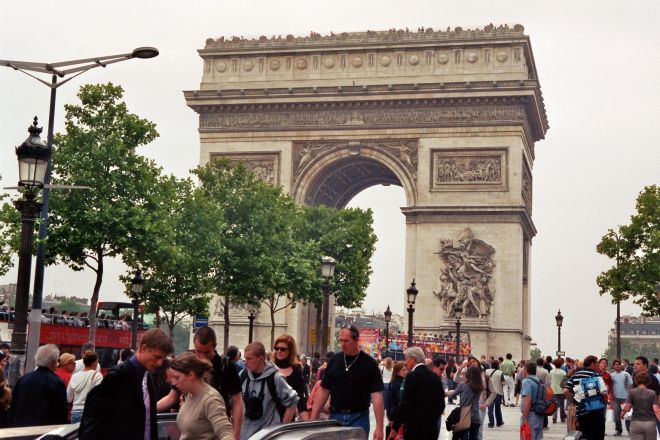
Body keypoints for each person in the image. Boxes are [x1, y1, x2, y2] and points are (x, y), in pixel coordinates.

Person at [78, 328, 174, 440]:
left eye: (163, 358)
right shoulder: (118, 376)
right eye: (157, 357)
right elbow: (93, 422)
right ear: (143, 348)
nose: (160, 363)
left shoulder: (148, 377)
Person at [160, 326, 243, 439]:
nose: (202, 356)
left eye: (206, 352)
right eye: (198, 351)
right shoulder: (191, 385)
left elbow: (237, 402)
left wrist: (236, 434)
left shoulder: (226, 367)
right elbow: (171, 397)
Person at [310, 326, 384, 440]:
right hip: (335, 416)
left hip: (359, 418)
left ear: (356, 340)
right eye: (340, 340)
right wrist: (313, 418)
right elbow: (324, 390)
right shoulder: (335, 360)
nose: (342, 344)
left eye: (346, 341)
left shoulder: (369, 363)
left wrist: (379, 427)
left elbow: (377, 395)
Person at [240, 341, 299, 440]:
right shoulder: (243, 375)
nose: (245, 362)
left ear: (261, 359)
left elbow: (293, 400)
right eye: (245, 358)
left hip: (267, 436)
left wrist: (282, 429)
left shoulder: (276, 378)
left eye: (249, 359)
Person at [170, 352, 234, 440]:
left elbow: (226, 433)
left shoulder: (211, 399)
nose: (173, 383)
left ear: (191, 375)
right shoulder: (189, 394)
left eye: (177, 378)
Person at [392, 347, 445, 439]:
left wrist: (396, 425)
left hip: (414, 429)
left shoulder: (412, 376)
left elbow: (406, 403)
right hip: (431, 429)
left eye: (406, 359)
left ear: (413, 360)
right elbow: (441, 404)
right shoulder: (435, 377)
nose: (405, 362)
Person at [9, 344, 68, 427]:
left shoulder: (23, 379)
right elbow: (61, 411)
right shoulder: (56, 382)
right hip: (43, 431)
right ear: (53, 363)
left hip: (20, 429)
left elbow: (13, 406)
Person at [563, 355, 608, 440]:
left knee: (583, 435)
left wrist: (576, 398)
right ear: (592, 364)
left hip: (581, 412)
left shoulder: (575, 375)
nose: (598, 365)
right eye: (597, 363)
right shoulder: (596, 375)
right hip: (596, 411)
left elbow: (565, 391)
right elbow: (604, 392)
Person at [271, 334, 309, 420]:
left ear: (290, 351)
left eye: (283, 349)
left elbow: (300, 399)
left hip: (287, 419)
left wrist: (307, 422)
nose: (279, 351)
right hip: (269, 419)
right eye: (276, 348)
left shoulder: (296, 371)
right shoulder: (269, 368)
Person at [620, 371, 660, 440]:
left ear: (636, 381)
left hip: (636, 423)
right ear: (648, 381)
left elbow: (628, 407)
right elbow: (656, 410)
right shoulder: (652, 393)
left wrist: (622, 413)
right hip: (650, 423)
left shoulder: (632, 392)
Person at [448, 364, 483, 440]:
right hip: (476, 417)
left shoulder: (463, 385)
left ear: (468, 374)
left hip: (464, 416)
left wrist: (447, 393)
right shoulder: (480, 386)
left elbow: (453, 394)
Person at [68, 350, 103, 423]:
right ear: (94, 362)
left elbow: (68, 398)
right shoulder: (97, 375)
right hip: (90, 412)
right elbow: (100, 396)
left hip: (75, 413)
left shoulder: (74, 376)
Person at [521, 361, 545, 440]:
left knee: (528, 436)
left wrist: (524, 417)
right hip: (540, 414)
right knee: (538, 437)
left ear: (526, 370)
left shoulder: (527, 382)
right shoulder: (539, 381)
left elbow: (527, 400)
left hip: (531, 414)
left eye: (523, 368)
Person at [385, 361, 407, 438]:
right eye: (403, 370)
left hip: (393, 415)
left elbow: (388, 400)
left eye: (406, 369)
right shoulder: (400, 384)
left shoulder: (393, 382)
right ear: (397, 372)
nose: (406, 372)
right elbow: (395, 401)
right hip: (397, 416)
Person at [610, 358, 632, 436]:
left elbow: (631, 385)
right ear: (613, 366)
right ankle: (618, 430)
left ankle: (630, 430)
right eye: (616, 364)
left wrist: (630, 396)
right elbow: (610, 386)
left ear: (621, 365)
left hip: (626, 398)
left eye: (619, 364)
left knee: (627, 415)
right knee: (617, 415)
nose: (617, 366)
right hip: (616, 398)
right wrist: (611, 395)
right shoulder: (611, 375)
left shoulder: (626, 374)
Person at [485, 359, 505, 428]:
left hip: (490, 393)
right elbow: (503, 383)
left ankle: (491, 423)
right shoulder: (500, 372)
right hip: (498, 392)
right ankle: (499, 422)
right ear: (498, 365)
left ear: (491, 365)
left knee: (490, 408)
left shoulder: (486, 372)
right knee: (498, 408)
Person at [549, 358, 567, 424]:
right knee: (562, 405)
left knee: (555, 405)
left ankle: (554, 418)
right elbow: (565, 382)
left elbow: (549, 380)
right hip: (561, 391)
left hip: (553, 390)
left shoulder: (551, 372)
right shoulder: (563, 372)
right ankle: (562, 418)